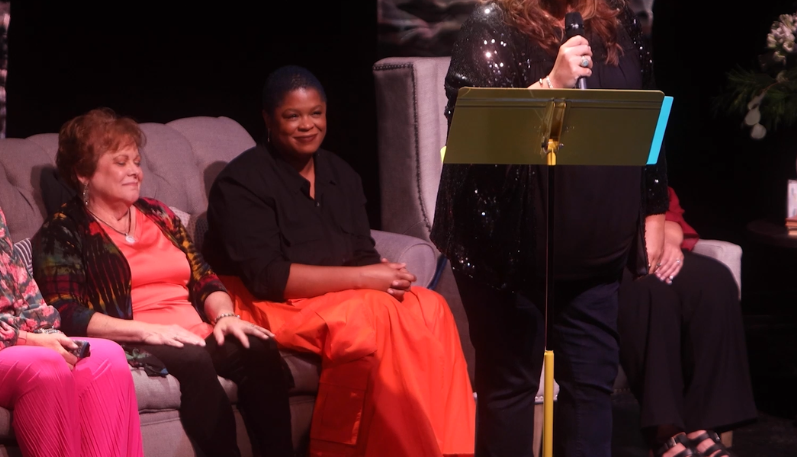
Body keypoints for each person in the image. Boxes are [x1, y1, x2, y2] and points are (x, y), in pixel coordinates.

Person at [431, 0, 670, 456]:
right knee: (510, 387)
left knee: (591, 387)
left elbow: (647, 116)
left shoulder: (616, 20)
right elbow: (478, 138)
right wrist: (553, 86)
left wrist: (654, 205)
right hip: (508, 253)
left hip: (595, 252)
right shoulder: (491, 27)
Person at [202, 65, 475, 457]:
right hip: (265, 303)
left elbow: (361, 252)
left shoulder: (340, 174)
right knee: (372, 310)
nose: (306, 125)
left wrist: (386, 275)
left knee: (430, 306)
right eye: (292, 116)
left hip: (336, 297)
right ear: (267, 118)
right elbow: (269, 278)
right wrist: (366, 277)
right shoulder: (242, 182)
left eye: (315, 113)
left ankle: (449, 449)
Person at [32, 108, 293, 457]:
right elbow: (65, 312)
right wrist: (146, 331)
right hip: (136, 340)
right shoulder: (64, 230)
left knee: (257, 350)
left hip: (193, 331)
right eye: (121, 162)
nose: (135, 171)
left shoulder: (159, 214)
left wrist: (226, 317)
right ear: (82, 173)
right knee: (194, 362)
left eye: (136, 161)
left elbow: (204, 277)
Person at [617, 186, 754, 457]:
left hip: (652, 235)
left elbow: (663, 201)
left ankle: (701, 424)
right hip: (604, 252)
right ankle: (665, 431)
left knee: (713, 282)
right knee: (651, 290)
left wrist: (668, 236)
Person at [0, 205, 144, 457]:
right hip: (10, 342)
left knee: (107, 358)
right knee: (46, 367)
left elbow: (17, 279)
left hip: (18, 334)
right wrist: (25, 340)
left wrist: (44, 332)